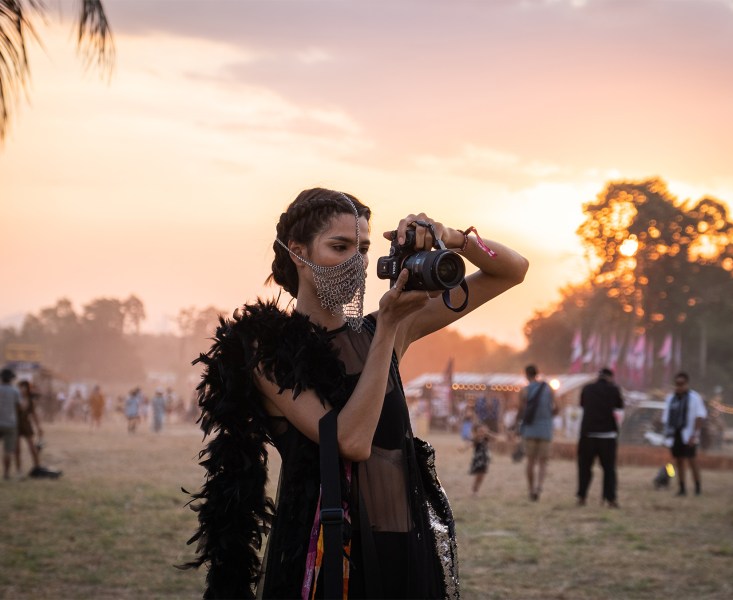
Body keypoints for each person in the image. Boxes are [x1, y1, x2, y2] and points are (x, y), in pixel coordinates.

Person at [183, 188, 529, 599]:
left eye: (363, 249)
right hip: (325, 559)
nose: (356, 262)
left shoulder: (384, 327)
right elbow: (349, 440)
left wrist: (455, 238)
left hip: (404, 546)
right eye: (340, 246)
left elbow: (512, 271)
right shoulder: (267, 351)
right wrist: (386, 332)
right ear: (298, 252)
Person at [577, 367, 624, 508]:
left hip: (588, 434)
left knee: (585, 467)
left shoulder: (587, 389)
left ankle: (582, 497)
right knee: (609, 469)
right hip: (607, 435)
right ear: (610, 377)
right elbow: (619, 406)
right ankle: (610, 499)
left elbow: (582, 404)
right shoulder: (614, 389)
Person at [662, 372, 707, 496]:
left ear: (687, 384)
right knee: (679, 461)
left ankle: (697, 487)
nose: (679, 387)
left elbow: (700, 417)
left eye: (681, 384)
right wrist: (667, 436)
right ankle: (682, 488)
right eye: (677, 384)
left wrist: (694, 435)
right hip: (675, 434)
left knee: (692, 461)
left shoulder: (694, 398)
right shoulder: (671, 399)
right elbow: (666, 419)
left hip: (689, 435)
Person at [517, 364, 558, 501]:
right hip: (545, 429)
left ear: (526, 375)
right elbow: (558, 407)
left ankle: (531, 488)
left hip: (529, 429)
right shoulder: (549, 388)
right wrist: (547, 416)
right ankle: (539, 487)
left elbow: (521, 410)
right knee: (543, 461)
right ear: (537, 373)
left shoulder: (525, 391)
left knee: (530, 461)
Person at [15, 380, 43, 477]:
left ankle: (37, 467)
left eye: (24, 388)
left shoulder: (30, 401)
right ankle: (19, 470)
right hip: (16, 425)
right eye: (21, 387)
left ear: (27, 389)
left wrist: (39, 427)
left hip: (26, 425)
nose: (22, 390)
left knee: (32, 447)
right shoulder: (15, 399)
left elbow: (34, 415)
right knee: (17, 449)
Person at [0, 368, 22, 480]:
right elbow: (18, 408)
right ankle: (6, 474)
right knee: (7, 451)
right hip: (10, 424)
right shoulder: (15, 391)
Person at [469, 422, 494, 495]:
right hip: (478, 460)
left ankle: (476, 490)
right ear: (476, 432)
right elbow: (470, 444)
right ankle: (474, 490)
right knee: (478, 476)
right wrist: (463, 449)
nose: (481, 433)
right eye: (480, 431)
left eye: (483, 431)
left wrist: (488, 433)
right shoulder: (476, 439)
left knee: (482, 476)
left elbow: (496, 438)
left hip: (485, 460)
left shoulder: (486, 438)